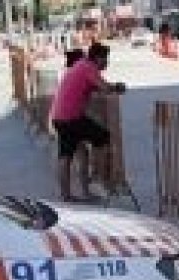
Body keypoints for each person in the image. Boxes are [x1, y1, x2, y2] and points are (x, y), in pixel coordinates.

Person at [49, 42, 127, 202]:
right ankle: (97, 176)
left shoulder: (80, 65)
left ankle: (74, 194)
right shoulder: (88, 67)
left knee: (76, 154)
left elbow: (94, 86)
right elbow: (104, 87)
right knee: (103, 137)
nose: (107, 63)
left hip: (60, 116)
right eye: (105, 59)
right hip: (70, 117)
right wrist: (118, 87)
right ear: (98, 58)